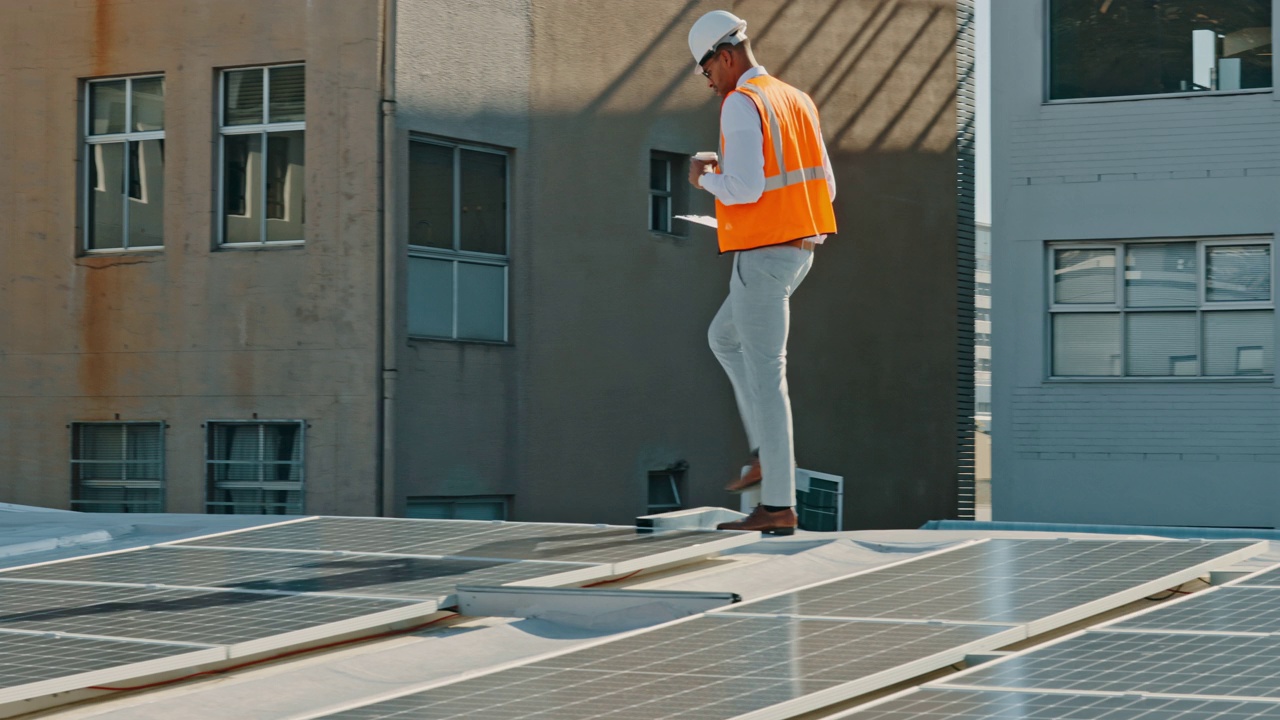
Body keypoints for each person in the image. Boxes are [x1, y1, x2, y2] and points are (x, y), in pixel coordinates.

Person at [685, 10, 837, 536]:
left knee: (769, 376)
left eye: (706, 71)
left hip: (764, 256)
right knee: (722, 338)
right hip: (799, 253)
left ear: (725, 56)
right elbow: (827, 188)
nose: (708, 82)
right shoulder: (796, 99)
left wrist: (706, 179)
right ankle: (761, 452)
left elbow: (746, 188)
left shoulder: (741, 104)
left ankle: (776, 505)